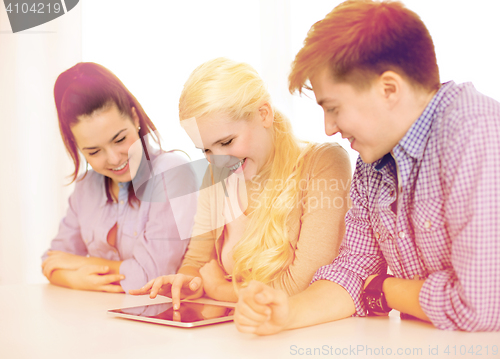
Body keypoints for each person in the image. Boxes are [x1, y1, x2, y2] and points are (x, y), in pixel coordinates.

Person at [234, 0, 500, 334]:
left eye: (333, 108)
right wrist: (288, 313)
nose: (329, 128)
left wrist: (386, 290)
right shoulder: (371, 165)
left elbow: (481, 306)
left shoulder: (476, 133)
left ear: (389, 89)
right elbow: (354, 270)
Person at [130, 58, 351, 308]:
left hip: (300, 335)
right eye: (206, 150)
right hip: (239, 331)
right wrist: (188, 283)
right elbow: (197, 262)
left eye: (226, 143)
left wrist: (219, 289)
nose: (218, 161)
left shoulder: (323, 164)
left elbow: (304, 285)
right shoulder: (215, 176)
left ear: (263, 114)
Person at [41, 62, 197, 293]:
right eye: (94, 151)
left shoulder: (172, 173)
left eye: (120, 139)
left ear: (134, 118)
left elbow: (150, 276)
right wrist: (75, 280)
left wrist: (82, 265)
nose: (114, 159)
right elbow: (52, 260)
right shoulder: (86, 187)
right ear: (78, 147)